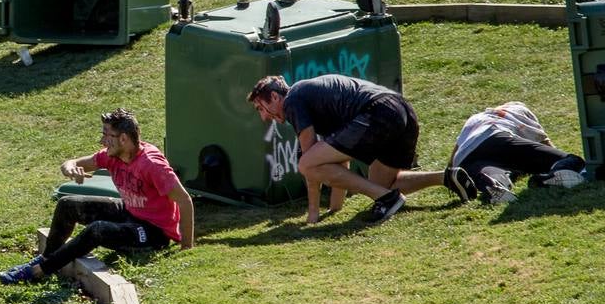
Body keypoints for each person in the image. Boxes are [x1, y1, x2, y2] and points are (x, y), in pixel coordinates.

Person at [0, 109, 194, 285]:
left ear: (124, 139)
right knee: (68, 204)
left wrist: (186, 247)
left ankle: (39, 271)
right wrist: (71, 169)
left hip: (154, 233)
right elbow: (71, 162)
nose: (102, 141)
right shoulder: (112, 155)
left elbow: (184, 200)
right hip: (130, 213)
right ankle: (47, 257)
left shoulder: (152, 164)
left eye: (107, 136)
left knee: (98, 229)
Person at [247, 75, 475, 225]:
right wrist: (335, 208)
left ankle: (386, 199)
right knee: (382, 183)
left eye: (261, 108)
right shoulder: (313, 98)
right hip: (402, 110)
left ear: (275, 97)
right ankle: (446, 177)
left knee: (307, 163)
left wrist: (313, 215)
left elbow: (310, 164)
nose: (264, 117)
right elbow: (338, 161)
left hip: (379, 112)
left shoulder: (293, 101)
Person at [449, 103, 587, 204]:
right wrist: (557, 158)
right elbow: (545, 143)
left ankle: (492, 183)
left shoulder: (475, 118)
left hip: (463, 159)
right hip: (497, 138)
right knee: (573, 160)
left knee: (493, 173)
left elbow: (454, 156)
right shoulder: (519, 111)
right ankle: (549, 176)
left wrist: (452, 173)